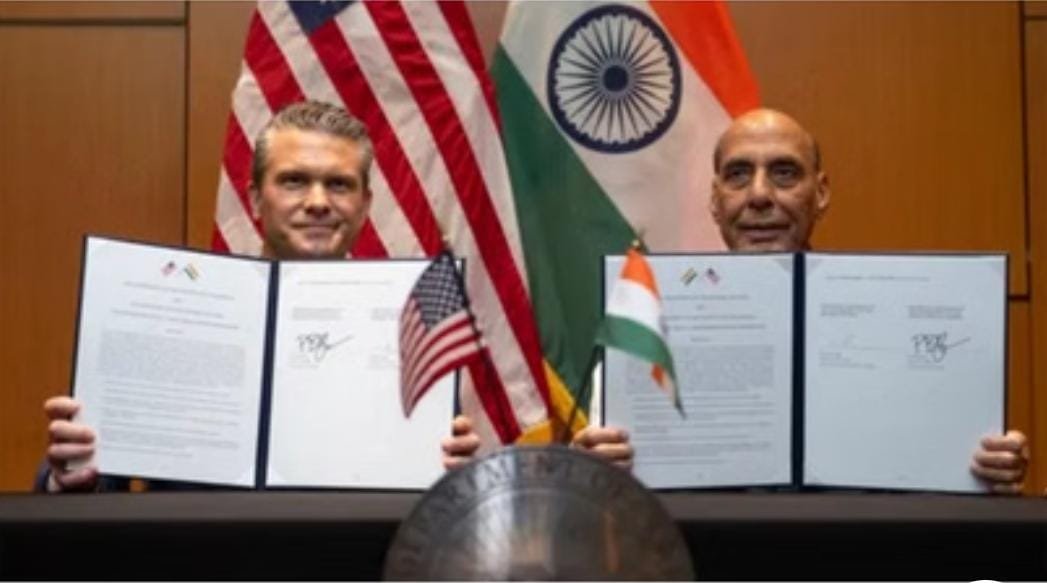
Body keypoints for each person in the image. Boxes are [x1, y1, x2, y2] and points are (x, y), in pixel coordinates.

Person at [443, 107, 1029, 494]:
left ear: (821, 193)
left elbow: (938, 464)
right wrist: (596, 466)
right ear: (715, 199)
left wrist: (987, 466)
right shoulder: (643, 322)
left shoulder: (890, 316)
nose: (760, 196)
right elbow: (599, 490)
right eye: (739, 175)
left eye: (785, 174)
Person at [39, 100, 375, 492]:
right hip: (195, 533)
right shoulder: (167, 315)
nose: (317, 203)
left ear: (365, 204)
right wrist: (69, 476)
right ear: (255, 199)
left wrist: (438, 469)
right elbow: (95, 479)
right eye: (294, 181)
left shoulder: (411, 330)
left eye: (339, 184)